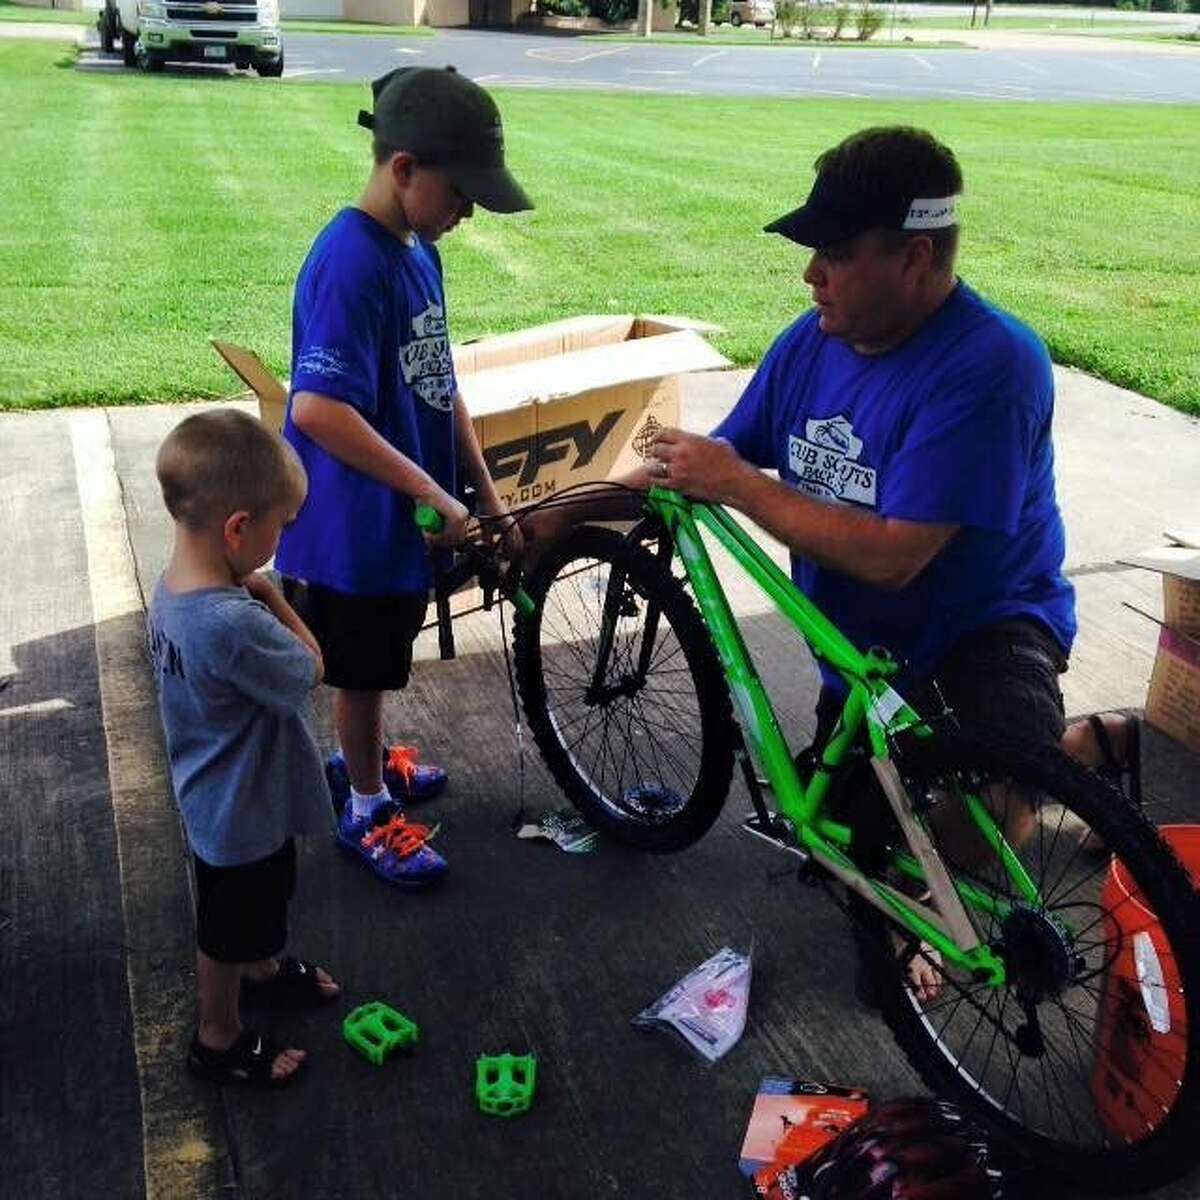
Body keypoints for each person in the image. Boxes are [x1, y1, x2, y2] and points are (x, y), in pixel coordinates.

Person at [274, 66, 530, 886]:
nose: (467, 213)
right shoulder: (351, 262)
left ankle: (368, 761)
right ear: (404, 168)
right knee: (360, 666)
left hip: (398, 515)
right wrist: (428, 490)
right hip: (350, 523)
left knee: (383, 652)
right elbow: (316, 409)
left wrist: (483, 492)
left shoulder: (417, 251)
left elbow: (438, 376)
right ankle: (364, 805)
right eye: (461, 193)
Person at [148, 409, 339, 1089]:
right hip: (241, 813)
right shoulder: (233, 621)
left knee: (250, 912)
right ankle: (218, 1037)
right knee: (226, 928)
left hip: (213, 793)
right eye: (278, 528)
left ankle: (261, 969)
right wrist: (271, 595)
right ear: (237, 529)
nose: (279, 541)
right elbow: (311, 667)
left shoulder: (172, 590)